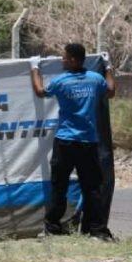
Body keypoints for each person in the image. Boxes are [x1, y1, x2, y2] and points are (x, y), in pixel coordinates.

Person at [29, 43, 117, 242]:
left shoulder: (61, 82)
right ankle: (95, 230)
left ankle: (52, 228)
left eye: (65, 58)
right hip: (88, 143)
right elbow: (111, 90)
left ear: (75, 60)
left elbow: (40, 91)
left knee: (59, 186)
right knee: (92, 188)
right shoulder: (96, 80)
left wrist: (34, 68)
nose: (62, 60)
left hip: (66, 142)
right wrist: (108, 67)